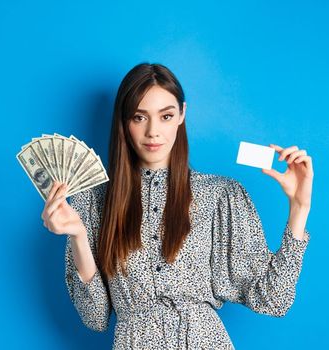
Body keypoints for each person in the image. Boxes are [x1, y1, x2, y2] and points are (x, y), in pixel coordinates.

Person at [40, 63, 314, 349]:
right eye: (139, 117)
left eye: (166, 116)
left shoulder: (220, 195)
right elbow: (95, 318)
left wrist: (299, 208)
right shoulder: (93, 201)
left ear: (182, 114)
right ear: (124, 122)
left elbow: (274, 300)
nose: (153, 131)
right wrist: (78, 237)